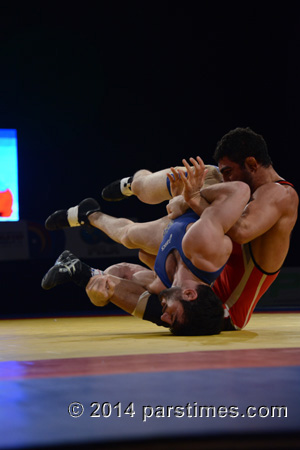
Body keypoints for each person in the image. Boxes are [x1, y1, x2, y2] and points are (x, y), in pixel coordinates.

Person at [43, 127, 298, 332]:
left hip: (222, 309)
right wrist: (191, 197)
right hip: (203, 261)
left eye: (230, 171)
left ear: (252, 164)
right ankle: (133, 186)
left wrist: (191, 199)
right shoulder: (234, 189)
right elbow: (225, 208)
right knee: (205, 174)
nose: (227, 177)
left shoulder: (279, 193)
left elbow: (241, 231)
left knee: (162, 302)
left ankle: (83, 271)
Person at [42, 157, 251, 335]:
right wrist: (192, 198)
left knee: (128, 236)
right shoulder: (203, 248)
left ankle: (88, 214)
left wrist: (99, 289)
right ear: (189, 295)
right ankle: (132, 183)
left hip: (173, 227)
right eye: (173, 316)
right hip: (203, 183)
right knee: (144, 189)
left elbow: (121, 273)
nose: (163, 316)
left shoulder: (160, 285)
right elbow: (240, 190)